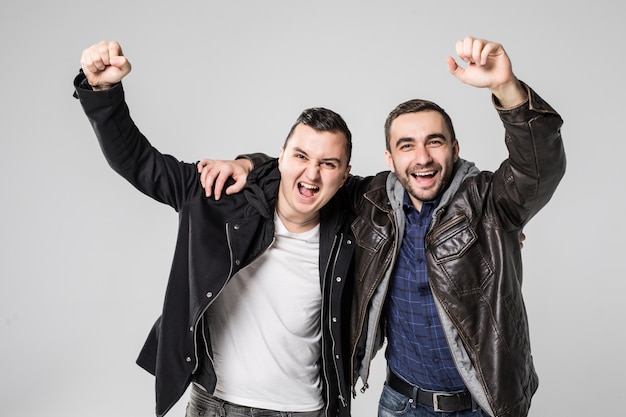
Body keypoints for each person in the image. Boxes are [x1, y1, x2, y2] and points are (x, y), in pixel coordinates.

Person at [199, 36, 566, 417]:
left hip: (483, 405)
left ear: (455, 149)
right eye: (407, 146)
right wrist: (248, 164)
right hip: (399, 403)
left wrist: (506, 89)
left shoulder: (490, 202)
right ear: (390, 158)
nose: (422, 157)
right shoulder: (370, 200)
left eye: (434, 142)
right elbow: (312, 173)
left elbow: (537, 168)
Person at [74, 40, 359, 417]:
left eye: (328, 163)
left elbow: (414, 180)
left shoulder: (355, 226)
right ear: (281, 157)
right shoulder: (217, 195)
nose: (311, 173)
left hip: (304, 408)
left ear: (345, 176)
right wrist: (103, 92)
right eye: (301, 156)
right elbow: (139, 163)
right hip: (215, 404)